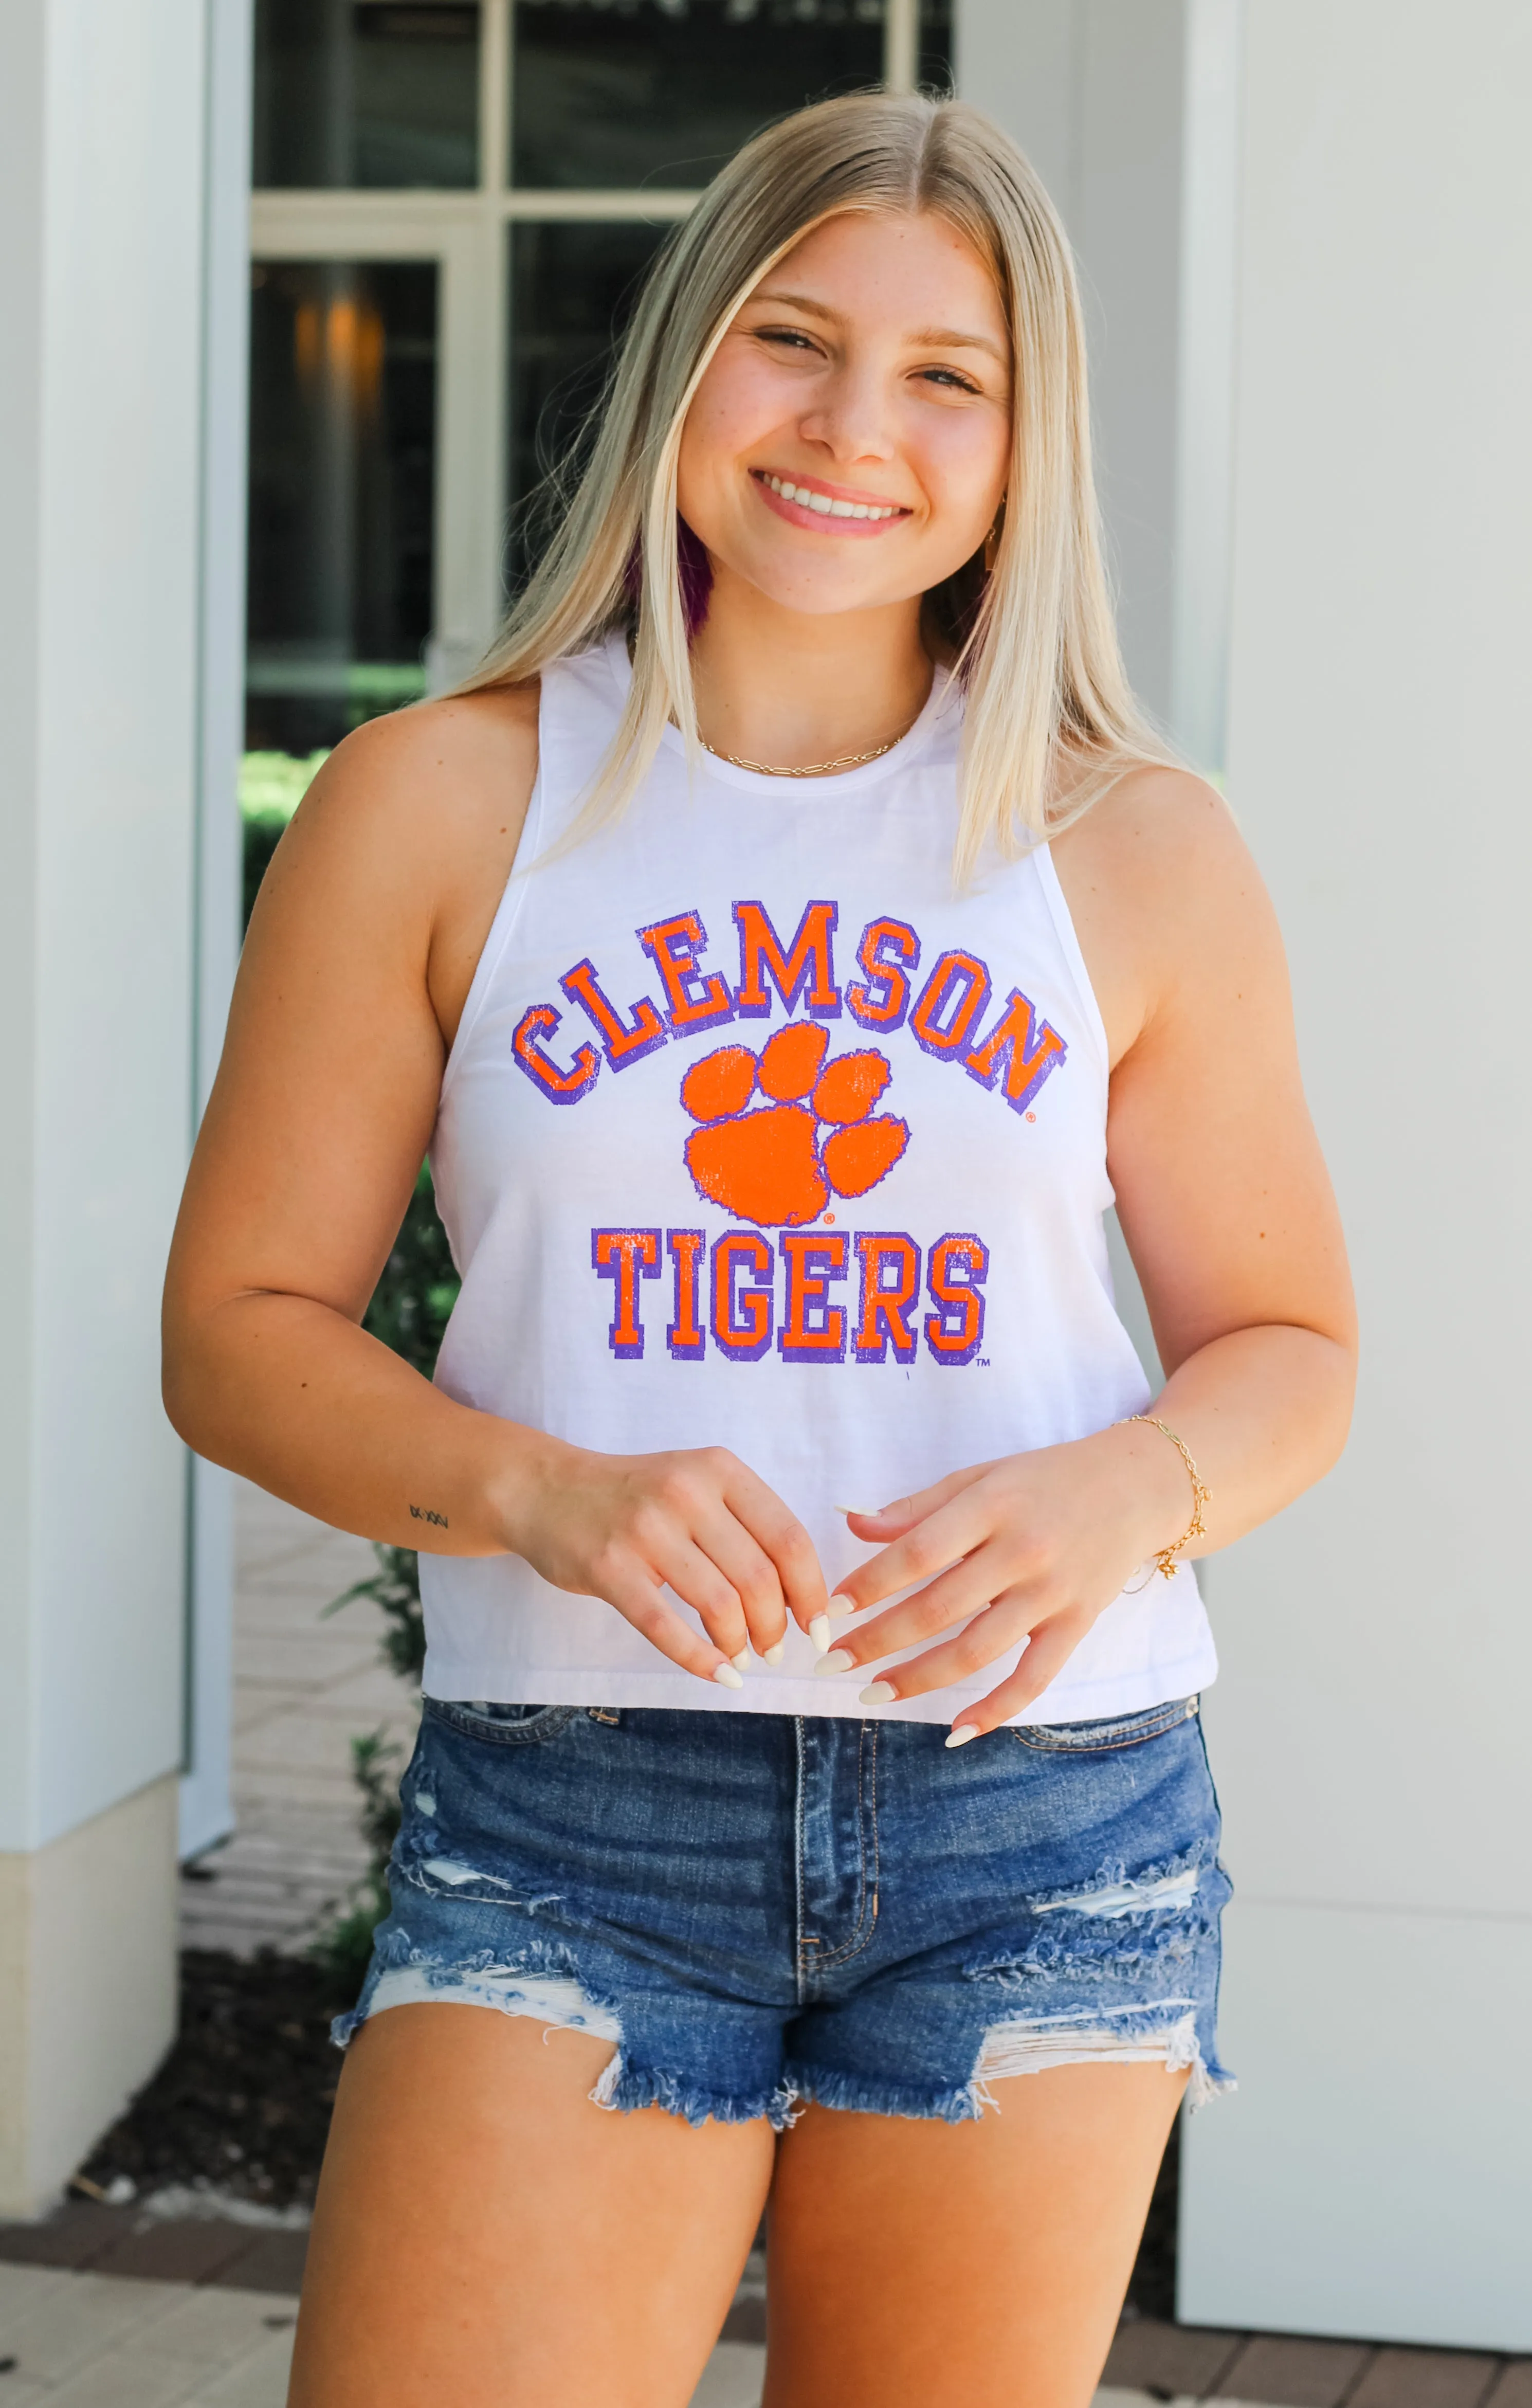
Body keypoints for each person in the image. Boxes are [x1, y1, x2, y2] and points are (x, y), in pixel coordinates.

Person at [163, 90, 1356, 2408]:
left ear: (1027, 445)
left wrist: (1127, 1490)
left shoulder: (1131, 845)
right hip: (581, 1792)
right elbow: (236, 1333)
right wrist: (536, 1490)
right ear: (684, 362)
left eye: (945, 376)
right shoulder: (440, 800)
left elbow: (1290, 1347)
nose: (849, 429)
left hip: (1043, 1804)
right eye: (791, 339)